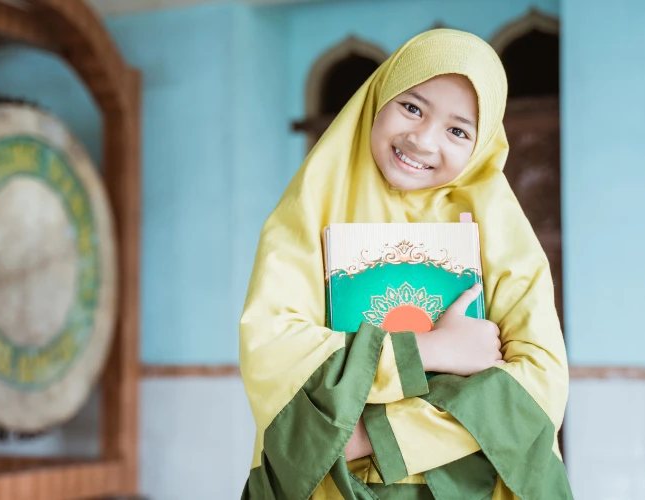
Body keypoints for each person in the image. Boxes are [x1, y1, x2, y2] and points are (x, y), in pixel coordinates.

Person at [238, 28, 572, 499]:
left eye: (458, 130)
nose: (423, 140)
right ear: (378, 98)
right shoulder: (308, 213)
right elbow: (274, 352)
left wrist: (373, 438)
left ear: (480, 145)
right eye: (412, 107)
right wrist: (429, 350)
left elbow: (539, 383)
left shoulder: (501, 233)